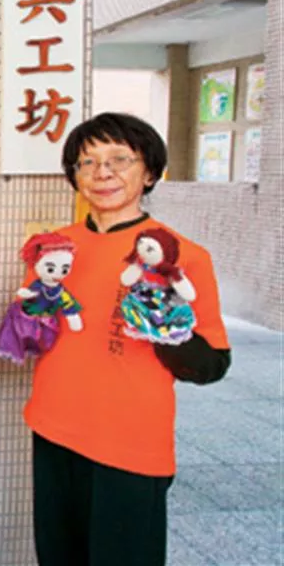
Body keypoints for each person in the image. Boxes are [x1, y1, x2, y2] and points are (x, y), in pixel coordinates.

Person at [25, 112, 231, 566]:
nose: (103, 173)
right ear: (75, 176)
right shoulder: (55, 249)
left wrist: (166, 327)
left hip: (130, 442)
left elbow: (212, 364)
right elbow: (35, 332)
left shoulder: (181, 257)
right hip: (54, 428)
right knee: (57, 556)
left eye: (120, 160)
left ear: (150, 172)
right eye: (88, 162)